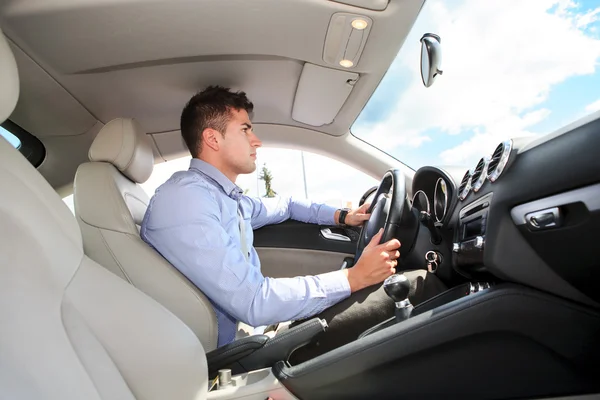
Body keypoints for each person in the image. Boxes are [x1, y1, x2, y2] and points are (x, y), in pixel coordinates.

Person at [141, 86, 445, 354]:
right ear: (212, 138)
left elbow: (286, 206)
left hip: (246, 335)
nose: (256, 140)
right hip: (222, 357)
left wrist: (343, 216)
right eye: (245, 129)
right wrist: (354, 278)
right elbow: (254, 301)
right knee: (418, 288)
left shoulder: (228, 199)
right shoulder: (185, 199)